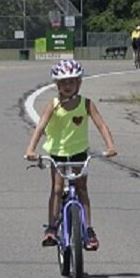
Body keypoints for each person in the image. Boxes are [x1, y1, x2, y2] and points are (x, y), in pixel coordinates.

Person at [24, 59, 117, 251]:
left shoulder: (86, 104)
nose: (68, 86)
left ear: (79, 83)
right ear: (57, 84)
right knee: (57, 189)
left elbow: (101, 125)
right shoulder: (53, 105)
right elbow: (40, 126)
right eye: (63, 82)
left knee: (82, 189)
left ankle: (89, 230)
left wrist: (110, 146)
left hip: (79, 153)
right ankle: (51, 228)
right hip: (57, 153)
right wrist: (31, 149)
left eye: (72, 82)